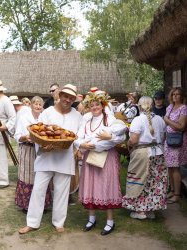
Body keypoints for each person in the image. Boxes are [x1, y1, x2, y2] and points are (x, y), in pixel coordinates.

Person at [19, 84, 82, 234]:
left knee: (62, 192)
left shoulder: (78, 116)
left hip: (65, 159)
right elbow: (37, 133)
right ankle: (32, 223)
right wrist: (42, 146)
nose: (68, 99)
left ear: (74, 100)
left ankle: (59, 222)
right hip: (46, 158)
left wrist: (78, 148)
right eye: (65, 96)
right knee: (38, 190)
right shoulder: (47, 113)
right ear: (59, 96)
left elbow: (79, 136)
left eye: (71, 98)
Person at [75, 89, 126, 236]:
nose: (94, 107)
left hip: (106, 157)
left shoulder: (109, 118)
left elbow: (120, 137)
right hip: (89, 157)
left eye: (97, 104)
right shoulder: (86, 119)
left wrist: (109, 137)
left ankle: (110, 221)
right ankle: (91, 219)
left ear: (103, 104)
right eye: (91, 105)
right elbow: (78, 137)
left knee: (106, 185)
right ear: (88, 107)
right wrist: (81, 145)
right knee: (91, 186)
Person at [122, 96, 167, 219]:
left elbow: (134, 139)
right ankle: (150, 209)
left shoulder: (138, 120)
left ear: (139, 106)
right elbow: (163, 138)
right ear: (151, 106)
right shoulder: (160, 119)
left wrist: (129, 144)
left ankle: (140, 211)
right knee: (154, 181)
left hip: (142, 152)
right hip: (158, 153)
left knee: (139, 180)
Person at [14, 96, 52, 213]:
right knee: (28, 176)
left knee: (41, 176)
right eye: (35, 104)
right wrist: (24, 137)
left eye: (40, 105)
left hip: (41, 151)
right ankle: (26, 205)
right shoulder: (24, 118)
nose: (38, 106)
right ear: (31, 105)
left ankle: (42, 205)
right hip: (27, 149)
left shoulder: (44, 119)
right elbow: (17, 135)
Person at [164, 87, 187, 203]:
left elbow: (181, 126)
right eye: (173, 94)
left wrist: (167, 121)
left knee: (176, 167)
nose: (175, 96)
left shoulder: (183, 109)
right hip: (168, 141)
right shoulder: (170, 107)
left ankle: (177, 194)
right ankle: (172, 190)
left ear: (182, 96)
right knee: (169, 166)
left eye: (178, 94)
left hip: (178, 141)